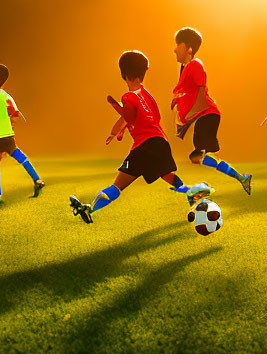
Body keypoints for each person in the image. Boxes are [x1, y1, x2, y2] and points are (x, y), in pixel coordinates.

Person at [69, 50, 198, 224]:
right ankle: (195, 197)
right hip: (160, 142)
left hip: (143, 146)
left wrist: (116, 106)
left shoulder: (128, 96)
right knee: (168, 176)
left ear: (124, 75)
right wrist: (118, 131)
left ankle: (89, 208)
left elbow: (129, 117)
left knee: (117, 186)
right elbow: (152, 117)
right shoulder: (147, 95)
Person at [172, 27, 252, 195]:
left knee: (199, 155)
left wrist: (186, 120)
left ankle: (204, 188)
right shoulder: (185, 68)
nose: (174, 49)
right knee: (197, 157)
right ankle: (240, 177)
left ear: (188, 49)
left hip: (208, 116)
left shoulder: (195, 65)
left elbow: (201, 94)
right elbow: (188, 92)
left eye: (178, 45)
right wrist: (177, 103)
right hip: (203, 117)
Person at [0, 63, 44, 206]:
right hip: (7, 134)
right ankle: (37, 179)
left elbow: (6, 115)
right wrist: (9, 127)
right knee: (18, 155)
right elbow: (14, 114)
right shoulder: (6, 96)